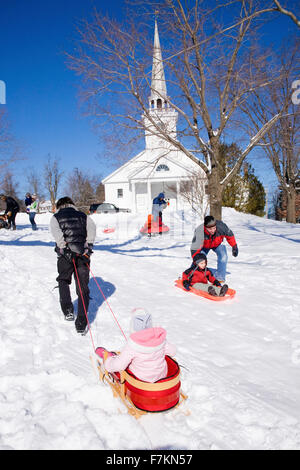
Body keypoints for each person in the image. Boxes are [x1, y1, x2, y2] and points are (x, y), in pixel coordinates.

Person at [50, 196, 96, 333]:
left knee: (63, 280)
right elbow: (92, 230)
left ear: (60, 205)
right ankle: (81, 321)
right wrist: (88, 247)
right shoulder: (83, 216)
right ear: (72, 204)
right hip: (83, 254)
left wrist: (64, 248)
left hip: (65, 255)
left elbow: (57, 234)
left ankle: (68, 310)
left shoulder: (56, 217)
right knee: (82, 287)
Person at [96, 309, 176, 383]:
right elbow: (172, 351)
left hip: (140, 380)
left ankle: (111, 357)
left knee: (124, 363)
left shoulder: (133, 346)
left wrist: (108, 363)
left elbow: (119, 365)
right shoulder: (160, 340)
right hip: (161, 377)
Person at [190, 215, 238, 282]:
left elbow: (230, 235)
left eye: (214, 228)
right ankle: (191, 274)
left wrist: (234, 246)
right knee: (199, 259)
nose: (213, 231)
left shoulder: (221, 227)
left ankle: (220, 278)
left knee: (223, 257)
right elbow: (195, 248)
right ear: (205, 227)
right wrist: (196, 258)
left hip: (218, 244)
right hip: (204, 246)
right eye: (210, 229)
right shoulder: (199, 231)